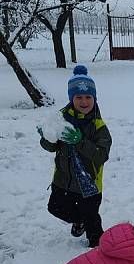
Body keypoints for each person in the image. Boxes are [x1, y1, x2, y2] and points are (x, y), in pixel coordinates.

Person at [38, 65, 112, 248]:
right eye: (78, 97)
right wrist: (47, 136)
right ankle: (79, 221)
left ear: (94, 98)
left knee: (92, 221)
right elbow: (50, 146)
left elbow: (101, 155)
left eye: (88, 97)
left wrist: (79, 141)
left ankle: (98, 248)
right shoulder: (61, 119)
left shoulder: (98, 126)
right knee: (55, 208)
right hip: (63, 180)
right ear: (72, 99)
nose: (84, 101)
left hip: (89, 184)